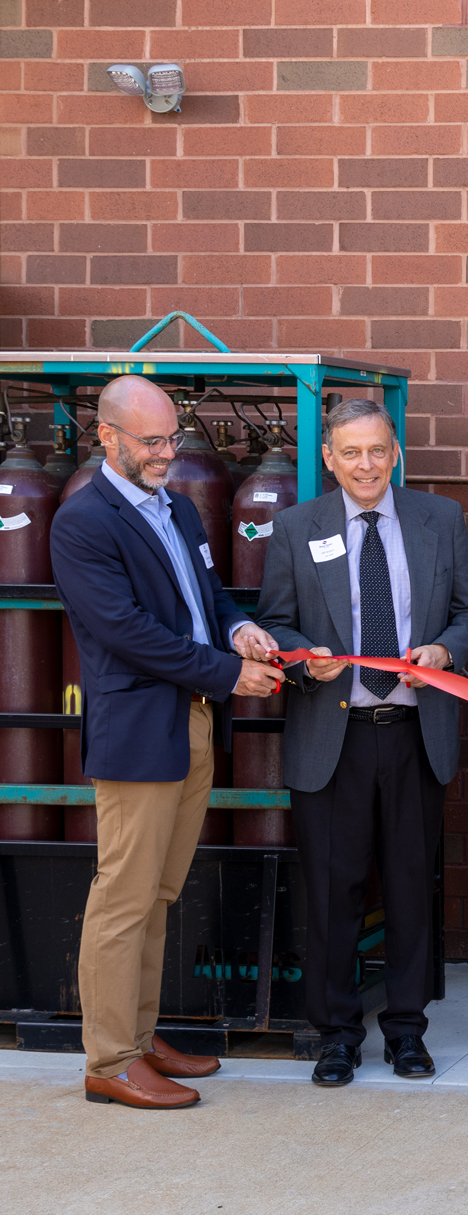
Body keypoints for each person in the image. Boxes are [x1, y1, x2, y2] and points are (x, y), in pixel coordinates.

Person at [51, 375, 286, 1109]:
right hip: (140, 726)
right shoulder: (81, 521)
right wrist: (228, 672)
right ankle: (109, 1059)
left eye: (171, 438)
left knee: (159, 889)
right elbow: (126, 633)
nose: (165, 453)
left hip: (190, 718)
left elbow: (204, 595)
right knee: (123, 895)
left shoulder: (177, 509)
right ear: (107, 437)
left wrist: (235, 627)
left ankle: (140, 1036)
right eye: (151, 442)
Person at [256, 397, 468, 1088]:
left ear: (396, 454)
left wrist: (446, 648)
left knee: (413, 886)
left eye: (377, 450)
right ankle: (336, 1034)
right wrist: (303, 654)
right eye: (350, 452)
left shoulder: (438, 519)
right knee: (332, 891)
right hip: (335, 734)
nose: (365, 464)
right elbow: (275, 621)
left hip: (416, 731)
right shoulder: (298, 527)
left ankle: (407, 1031)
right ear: (328, 456)